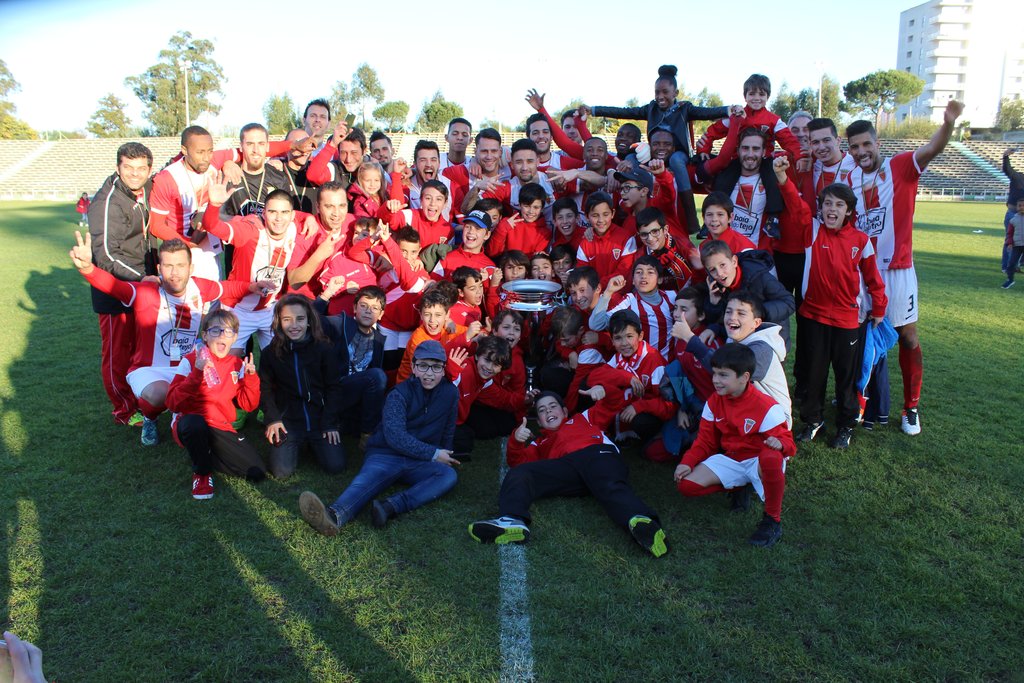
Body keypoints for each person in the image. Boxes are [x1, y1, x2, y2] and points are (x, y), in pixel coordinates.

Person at [70, 233, 260, 446]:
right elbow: (113, 286)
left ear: (191, 268)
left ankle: (185, 416)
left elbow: (227, 288)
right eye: (168, 266)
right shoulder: (146, 293)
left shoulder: (200, 288)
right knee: (161, 395)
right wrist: (88, 268)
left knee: (211, 385)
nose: (175, 273)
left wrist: (252, 287)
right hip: (149, 368)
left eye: (180, 265)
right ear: (159, 269)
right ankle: (150, 417)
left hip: (186, 365)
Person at [844, 99, 964, 435]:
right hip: (863, 273)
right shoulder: (850, 179)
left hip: (897, 270)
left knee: (908, 337)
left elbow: (933, 149)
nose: (861, 151)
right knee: (859, 338)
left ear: (877, 142)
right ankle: (859, 401)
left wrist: (949, 123)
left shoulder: (900, 167)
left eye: (866, 144)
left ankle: (911, 407)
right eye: (854, 147)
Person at [468, 391, 668, 558]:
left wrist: (600, 389)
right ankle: (511, 520)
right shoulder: (540, 443)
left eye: (552, 406)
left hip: (597, 456)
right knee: (521, 473)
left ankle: (642, 523)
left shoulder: (584, 418)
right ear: (539, 421)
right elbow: (517, 462)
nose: (548, 411)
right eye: (542, 410)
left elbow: (614, 400)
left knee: (610, 486)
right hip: (567, 470)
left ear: (564, 411)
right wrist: (516, 440)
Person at [298, 340, 460, 533]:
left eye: (436, 367)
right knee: (364, 482)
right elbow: (395, 437)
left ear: (443, 369)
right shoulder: (398, 394)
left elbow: (448, 428)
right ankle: (334, 515)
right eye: (423, 366)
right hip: (387, 453)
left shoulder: (451, 393)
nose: (429, 373)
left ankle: (389, 507)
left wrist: (446, 454)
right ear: (414, 368)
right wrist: (433, 453)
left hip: (419, 460)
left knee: (448, 475)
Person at [584, 65, 734, 233]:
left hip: (677, 153)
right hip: (653, 152)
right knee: (631, 158)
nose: (660, 96)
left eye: (665, 92)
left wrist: (727, 110)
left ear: (675, 93)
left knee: (676, 161)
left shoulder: (684, 108)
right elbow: (624, 112)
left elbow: (706, 113)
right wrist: (594, 110)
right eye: (657, 92)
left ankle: (691, 218)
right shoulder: (651, 108)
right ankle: (629, 208)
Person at [674, 344, 796, 548]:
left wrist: (780, 443)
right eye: (714, 373)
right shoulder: (714, 401)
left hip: (758, 461)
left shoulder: (767, 406)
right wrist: (687, 462)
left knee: (771, 456)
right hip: (732, 458)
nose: (715, 380)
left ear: (744, 377)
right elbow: (705, 441)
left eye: (723, 375)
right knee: (686, 485)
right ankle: (740, 486)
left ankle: (772, 520)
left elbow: (790, 446)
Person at [794, 183, 887, 449]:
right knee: (814, 374)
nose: (831, 209)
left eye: (838, 204)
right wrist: (780, 176)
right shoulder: (812, 231)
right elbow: (795, 204)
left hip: (848, 321)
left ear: (848, 211)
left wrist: (879, 308)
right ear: (820, 208)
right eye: (827, 204)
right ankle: (813, 421)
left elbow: (873, 278)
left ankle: (846, 426)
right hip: (814, 317)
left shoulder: (861, 240)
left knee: (846, 376)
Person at [165, 309, 266, 499]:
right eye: (215, 330)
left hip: (219, 426)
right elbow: (172, 403)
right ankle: (202, 474)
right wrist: (197, 373)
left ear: (235, 337)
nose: (222, 335)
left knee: (256, 472)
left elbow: (248, 406)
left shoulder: (237, 364)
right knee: (195, 424)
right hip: (191, 422)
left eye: (228, 331)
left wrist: (251, 378)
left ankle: (203, 452)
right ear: (205, 336)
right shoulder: (191, 360)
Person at [87, 141, 154, 426]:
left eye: (141, 168)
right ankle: (124, 410)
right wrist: (142, 278)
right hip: (116, 289)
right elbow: (106, 256)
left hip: (144, 284)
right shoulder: (108, 202)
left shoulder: (146, 187)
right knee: (117, 353)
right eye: (129, 167)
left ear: (149, 169)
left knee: (142, 348)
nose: (135, 173)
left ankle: (141, 398)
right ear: (118, 167)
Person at [258, 295, 345, 479]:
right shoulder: (270, 354)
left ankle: (314, 443)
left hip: (319, 418)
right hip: (288, 420)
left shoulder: (324, 348)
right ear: (279, 322)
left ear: (308, 320)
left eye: (300, 319)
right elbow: (265, 389)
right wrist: (273, 419)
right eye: (287, 319)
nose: (294, 325)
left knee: (335, 465)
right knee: (281, 472)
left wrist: (330, 423)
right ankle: (298, 443)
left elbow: (334, 387)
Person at [314, 284, 387, 444]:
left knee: (379, 380)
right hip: (333, 389)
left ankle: (362, 430)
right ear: (354, 308)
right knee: (377, 375)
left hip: (355, 395)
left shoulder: (378, 339)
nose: (368, 311)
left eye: (375, 308)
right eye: (363, 305)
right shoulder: (341, 323)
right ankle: (367, 434)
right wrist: (325, 296)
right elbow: (311, 319)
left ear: (381, 314)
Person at [1002, 148, 1024, 274]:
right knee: (1010, 240)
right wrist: (1006, 157)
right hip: (1013, 213)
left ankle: (1016, 265)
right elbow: (1008, 170)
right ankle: (1007, 266)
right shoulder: (1018, 177)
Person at [1002, 197, 1024, 289]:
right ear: (1016, 207)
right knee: (1011, 263)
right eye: (1019, 205)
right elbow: (1010, 233)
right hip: (1016, 245)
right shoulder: (1013, 220)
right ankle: (1010, 280)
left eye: (1023, 205)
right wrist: (1010, 243)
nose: (1021, 207)